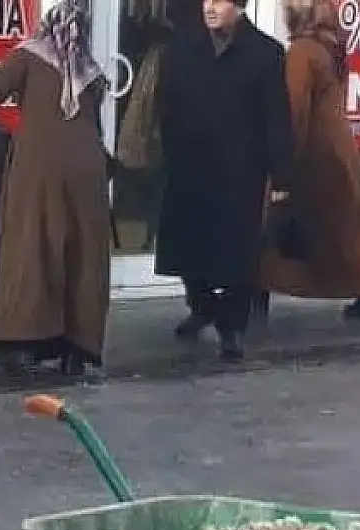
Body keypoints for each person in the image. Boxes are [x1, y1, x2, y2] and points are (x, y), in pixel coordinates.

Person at [0, 0, 112, 378]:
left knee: (33, 249)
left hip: (40, 170)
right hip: (89, 173)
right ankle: (77, 349)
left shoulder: (29, 57)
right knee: (82, 257)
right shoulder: (90, 72)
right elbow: (93, 126)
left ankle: (21, 343)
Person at [155, 0, 295, 361]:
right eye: (206, 1)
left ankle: (232, 326)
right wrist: (168, 148)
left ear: (239, 6)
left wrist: (281, 175)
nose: (209, 8)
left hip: (240, 169)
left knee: (238, 255)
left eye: (219, 1)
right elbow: (166, 103)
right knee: (185, 247)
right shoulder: (184, 46)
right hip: (190, 164)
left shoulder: (265, 53)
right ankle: (202, 305)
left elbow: (276, 117)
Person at [258, 0, 360, 322]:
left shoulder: (301, 53)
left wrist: (281, 162)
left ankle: (258, 287)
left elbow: (294, 109)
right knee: (345, 228)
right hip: (339, 151)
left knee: (279, 228)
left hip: (315, 156)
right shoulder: (329, 47)